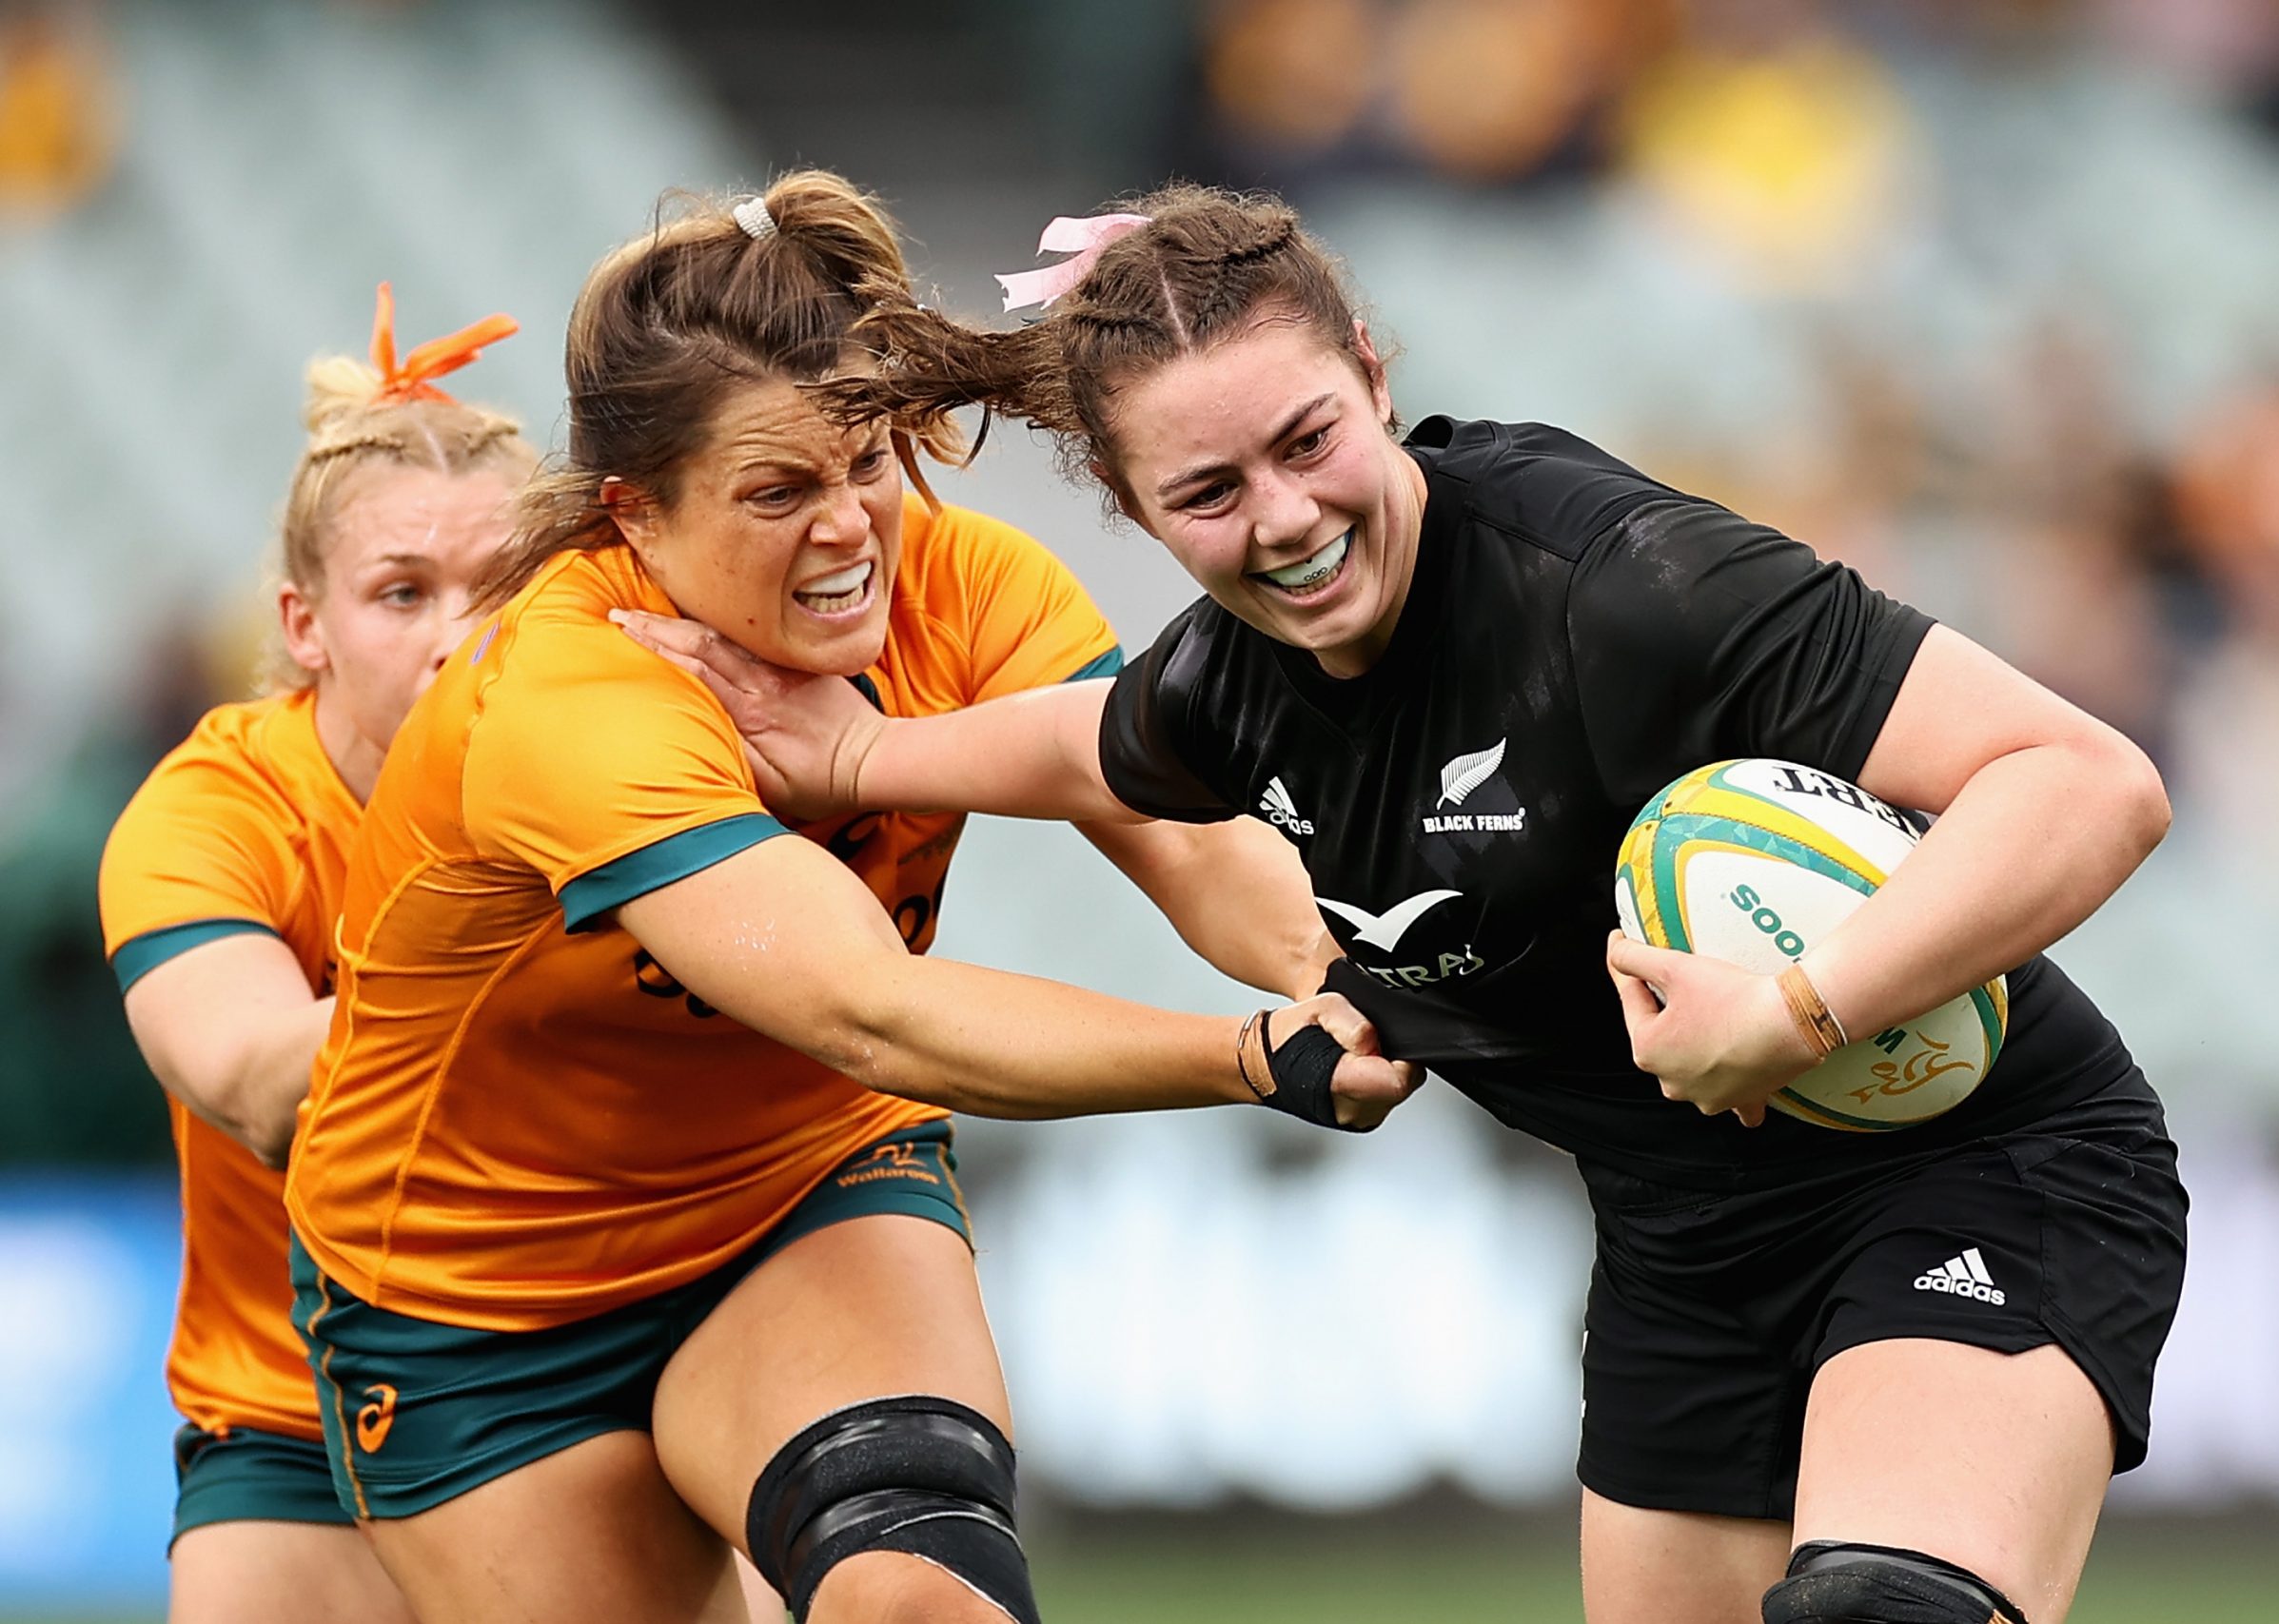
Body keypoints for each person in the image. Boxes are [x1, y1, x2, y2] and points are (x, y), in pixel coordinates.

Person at [621, 186, 2190, 1624]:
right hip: (1684, 1246)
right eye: (1210, 491)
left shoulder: (1625, 588)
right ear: (1128, 502)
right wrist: (858, 751)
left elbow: (2089, 782)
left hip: (1985, 1165)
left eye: (1309, 441)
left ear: (1374, 374)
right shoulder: (1232, 681)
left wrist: (1800, 1006)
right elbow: (1084, 745)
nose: (1286, 521)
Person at [277, 171, 1410, 1624]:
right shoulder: (567, 697)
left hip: (806, 1186)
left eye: (869, 461)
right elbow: (872, 1010)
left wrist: (1368, 970)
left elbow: (1190, 842)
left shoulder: (965, 582)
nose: (851, 530)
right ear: (636, 513)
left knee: (922, 1594)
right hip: (475, 1295)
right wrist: (1252, 1059)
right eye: (778, 490)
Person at [97, 285, 525, 1624]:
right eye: (402, 593)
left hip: (601, 1371)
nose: (457, 638)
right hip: (299, 1417)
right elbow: (260, 1085)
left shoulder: (642, 770)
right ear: (303, 627)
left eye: (501, 592)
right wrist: (503, 930)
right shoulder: (211, 813)